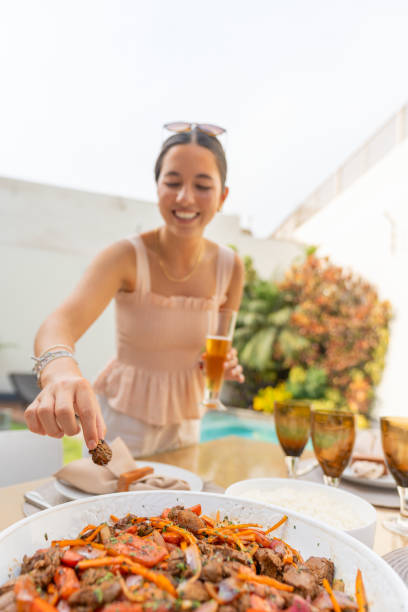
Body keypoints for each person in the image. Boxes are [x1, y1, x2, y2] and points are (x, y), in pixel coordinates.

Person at [25, 123, 245, 457]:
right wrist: (59, 374)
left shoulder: (231, 267)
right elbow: (59, 324)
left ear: (222, 196)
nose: (185, 197)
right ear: (157, 186)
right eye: (172, 182)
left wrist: (220, 363)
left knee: (179, 508)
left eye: (202, 185)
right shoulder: (125, 256)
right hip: (121, 424)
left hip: (187, 425)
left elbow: (215, 346)